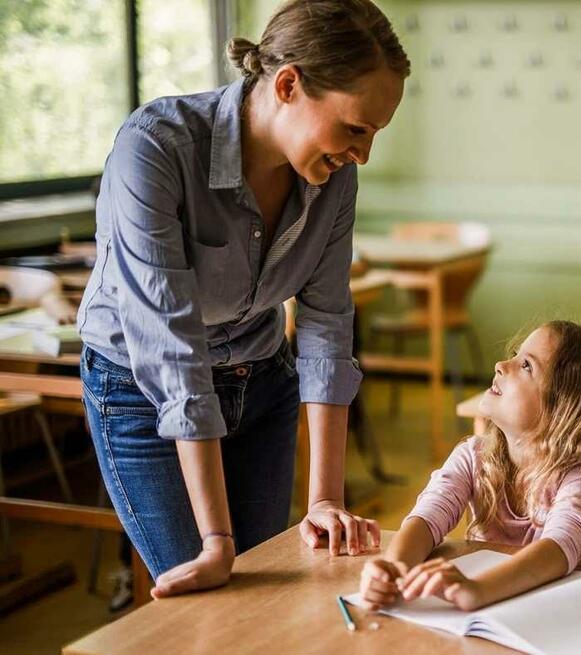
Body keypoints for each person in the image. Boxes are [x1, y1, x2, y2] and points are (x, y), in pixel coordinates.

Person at [77, 0, 409, 597]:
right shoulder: (156, 149)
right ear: (287, 85)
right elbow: (173, 350)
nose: (363, 154)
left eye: (376, 134)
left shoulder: (336, 178)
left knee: (269, 596)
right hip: (142, 393)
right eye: (356, 128)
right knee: (205, 601)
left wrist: (326, 499)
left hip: (260, 381)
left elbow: (328, 323)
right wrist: (216, 541)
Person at [355, 321, 581, 611]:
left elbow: (558, 549)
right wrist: (392, 568)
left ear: (566, 410)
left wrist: (477, 590)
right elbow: (426, 518)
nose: (500, 364)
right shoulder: (473, 456)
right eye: (515, 356)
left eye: (527, 366)